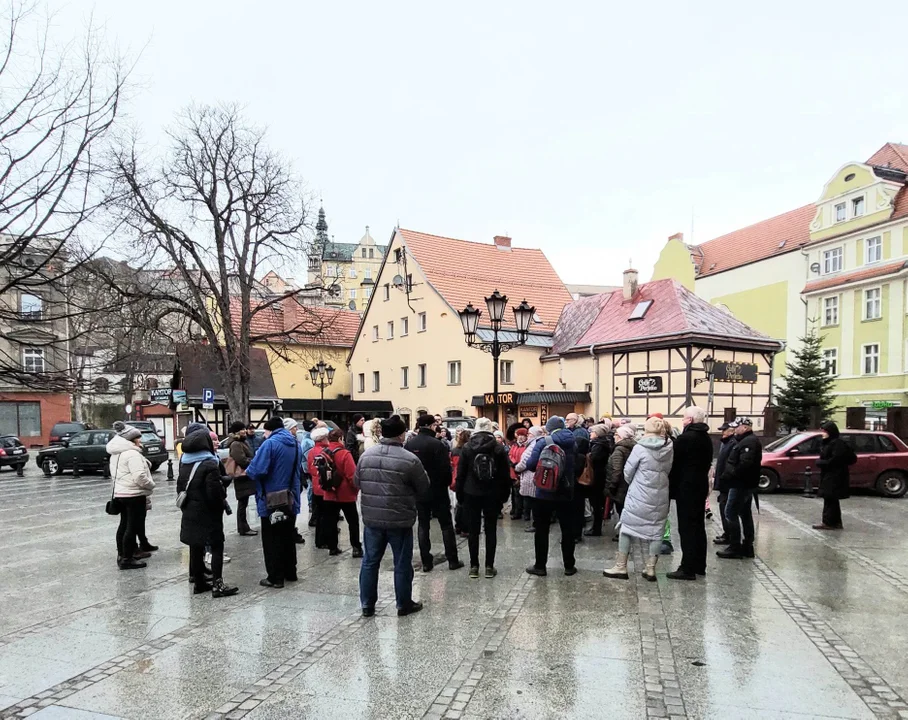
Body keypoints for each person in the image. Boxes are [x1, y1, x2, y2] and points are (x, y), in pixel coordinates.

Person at [355, 415, 431, 617]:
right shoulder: (410, 460)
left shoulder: (366, 455)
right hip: (399, 518)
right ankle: (403, 603)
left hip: (372, 519)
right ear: (401, 434)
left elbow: (357, 482)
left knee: (370, 562)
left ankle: (367, 604)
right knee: (402, 563)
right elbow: (424, 487)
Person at [604, 416, 674, 581]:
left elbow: (628, 472)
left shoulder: (640, 447)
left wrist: (637, 482)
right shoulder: (669, 447)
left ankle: (621, 566)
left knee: (627, 528)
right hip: (661, 494)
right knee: (657, 531)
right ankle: (650, 569)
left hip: (639, 494)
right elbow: (669, 468)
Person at [177, 424, 238, 597]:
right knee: (216, 545)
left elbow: (180, 486)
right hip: (208, 511)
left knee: (196, 546)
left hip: (189, 509)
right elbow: (214, 492)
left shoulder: (185, 461)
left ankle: (199, 583)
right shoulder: (210, 462)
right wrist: (221, 501)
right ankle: (218, 585)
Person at [246, 416, 302, 588]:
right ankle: (290, 572)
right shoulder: (295, 444)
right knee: (287, 536)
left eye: (265, 432)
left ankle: (275, 577)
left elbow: (256, 470)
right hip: (290, 497)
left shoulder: (270, 444)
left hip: (272, 499)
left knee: (272, 539)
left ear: (270, 430)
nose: (263, 435)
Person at [405, 414, 463, 572]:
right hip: (437, 490)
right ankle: (452, 559)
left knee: (423, 525)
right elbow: (445, 469)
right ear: (431, 426)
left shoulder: (409, 444)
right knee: (446, 525)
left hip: (419, 491)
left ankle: (426, 561)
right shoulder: (438, 444)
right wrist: (444, 484)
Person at [456, 417, 510, 578]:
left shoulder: (467, 447)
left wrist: (460, 495)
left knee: (473, 530)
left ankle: (474, 566)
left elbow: (461, 474)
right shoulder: (498, 448)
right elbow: (504, 475)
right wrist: (504, 496)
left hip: (471, 492)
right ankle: (489, 566)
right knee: (491, 530)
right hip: (492, 493)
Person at [523, 416, 578, 577]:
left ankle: (540, 566)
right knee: (567, 530)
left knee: (541, 529)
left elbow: (531, 464)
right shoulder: (573, 442)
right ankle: (569, 566)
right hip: (566, 491)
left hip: (544, 492)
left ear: (549, 427)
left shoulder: (543, 442)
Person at [666, 407, 713, 580]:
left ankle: (687, 568)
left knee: (687, 528)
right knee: (698, 526)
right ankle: (700, 564)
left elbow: (674, 463)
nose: (683, 420)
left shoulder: (686, 438)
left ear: (691, 420)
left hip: (687, 488)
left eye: (684, 418)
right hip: (699, 486)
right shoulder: (706, 437)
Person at [108, 425, 156, 570]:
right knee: (132, 526)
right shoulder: (132, 454)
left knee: (124, 524)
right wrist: (151, 485)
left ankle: (122, 554)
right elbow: (139, 476)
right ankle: (127, 558)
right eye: (138, 439)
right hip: (134, 494)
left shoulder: (116, 453)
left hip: (121, 493)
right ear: (131, 440)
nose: (140, 442)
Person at [309, 428, 362, 556]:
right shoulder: (345, 454)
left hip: (329, 493)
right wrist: (356, 489)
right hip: (346, 494)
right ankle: (356, 547)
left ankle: (333, 547)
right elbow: (351, 475)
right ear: (340, 439)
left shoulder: (323, 453)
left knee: (330, 521)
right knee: (352, 521)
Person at [717, 418, 761, 560]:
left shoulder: (748, 442)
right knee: (744, 513)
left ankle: (735, 546)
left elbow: (745, 465)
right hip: (743, 484)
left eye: (738, 427)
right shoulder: (745, 441)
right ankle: (747, 546)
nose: (735, 429)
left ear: (746, 427)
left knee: (730, 512)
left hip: (740, 484)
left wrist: (731, 473)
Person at [814, 421, 856, 530]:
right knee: (831, 499)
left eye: (824, 431)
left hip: (835, 476)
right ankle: (835, 522)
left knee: (830, 497)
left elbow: (835, 460)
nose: (822, 433)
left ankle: (829, 522)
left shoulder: (837, 444)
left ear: (830, 432)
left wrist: (820, 463)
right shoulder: (829, 443)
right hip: (831, 474)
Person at [225, 421, 257, 537]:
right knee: (242, 503)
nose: (244, 431)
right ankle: (243, 528)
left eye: (244, 428)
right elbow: (241, 461)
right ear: (236, 432)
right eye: (241, 429)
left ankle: (244, 527)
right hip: (241, 476)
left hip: (245, 476)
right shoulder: (236, 444)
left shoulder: (241, 441)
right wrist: (253, 461)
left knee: (244, 502)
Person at [605, 424, 637, 535]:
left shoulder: (619, 449)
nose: (614, 436)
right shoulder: (633, 446)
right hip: (628, 483)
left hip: (620, 485)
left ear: (621, 436)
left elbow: (617, 469)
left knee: (621, 510)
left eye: (616, 434)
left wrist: (612, 486)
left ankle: (623, 534)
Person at [565, 412, 591, 543]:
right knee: (578, 509)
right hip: (580, 486)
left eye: (568, 419)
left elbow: (574, 470)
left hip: (576, 485)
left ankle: (575, 534)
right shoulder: (584, 456)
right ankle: (577, 533)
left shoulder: (578, 457)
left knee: (575, 510)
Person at [585, 422, 613, 536]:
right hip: (599, 476)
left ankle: (596, 529)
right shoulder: (601, 443)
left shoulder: (599, 445)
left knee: (596, 504)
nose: (590, 433)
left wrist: (588, 455)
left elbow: (593, 458)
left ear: (598, 434)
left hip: (597, 477)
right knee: (596, 504)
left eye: (593, 432)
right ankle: (596, 527)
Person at [515, 425, 545, 532]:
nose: (528, 435)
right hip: (534, 476)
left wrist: (517, 468)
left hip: (530, 476)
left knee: (533, 502)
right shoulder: (538, 443)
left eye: (529, 434)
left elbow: (526, 461)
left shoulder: (533, 445)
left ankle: (535, 524)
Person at [712, 423, 736, 545]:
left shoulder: (732, 443)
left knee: (726, 509)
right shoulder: (726, 443)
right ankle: (727, 533)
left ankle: (729, 535)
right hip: (723, 482)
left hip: (727, 483)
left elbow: (729, 464)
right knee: (723, 507)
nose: (723, 433)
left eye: (724, 430)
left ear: (731, 431)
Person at [451, 428, 471, 536]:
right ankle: (465, 528)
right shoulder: (469, 451)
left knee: (459, 504)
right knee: (466, 506)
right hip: (466, 479)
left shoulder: (455, 451)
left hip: (456, 478)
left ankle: (458, 526)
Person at [508, 428, 528, 520]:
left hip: (524, 471)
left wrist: (520, 466)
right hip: (514, 471)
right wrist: (514, 463)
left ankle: (526, 513)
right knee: (516, 493)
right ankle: (517, 512)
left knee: (525, 494)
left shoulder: (527, 446)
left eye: (522, 435)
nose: (520, 437)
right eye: (519, 435)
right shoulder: (514, 446)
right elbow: (510, 455)